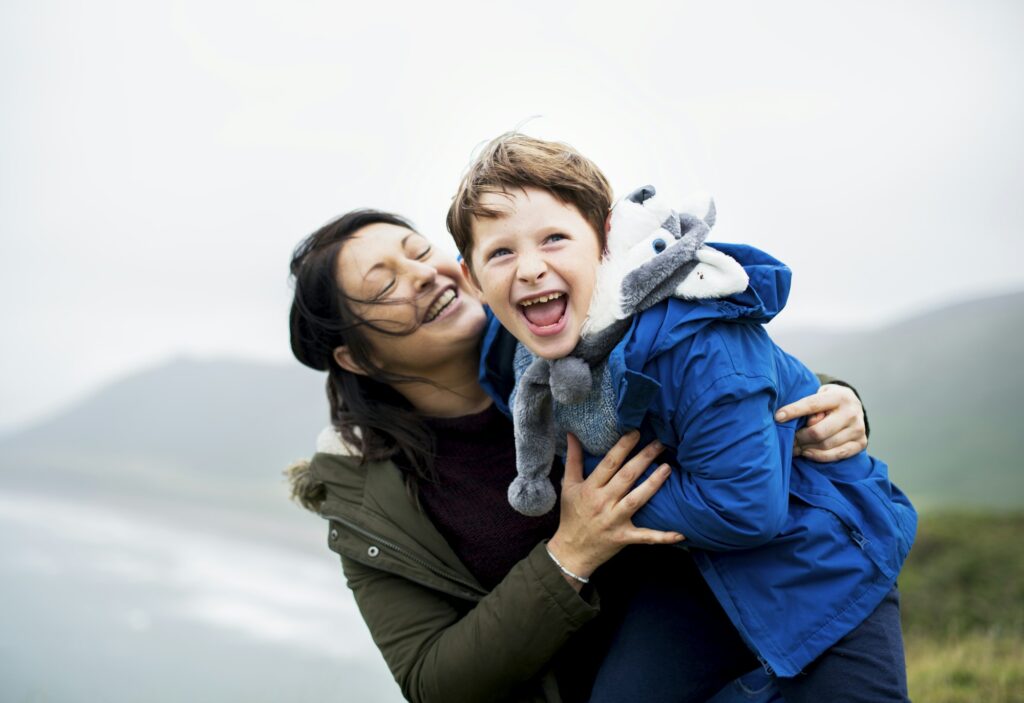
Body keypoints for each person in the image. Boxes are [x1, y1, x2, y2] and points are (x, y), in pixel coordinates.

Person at [287, 208, 871, 703]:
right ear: (355, 359)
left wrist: (835, 402)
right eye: (383, 284)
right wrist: (571, 553)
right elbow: (432, 679)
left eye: (418, 252)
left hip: (751, 614)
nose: (421, 276)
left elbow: (718, 379)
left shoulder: (557, 324)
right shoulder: (367, 491)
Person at [446, 133, 916, 701]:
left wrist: (601, 498)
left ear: (605, 240)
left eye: (554, 240)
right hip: (695, 568)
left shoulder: (697, 342)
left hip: (818, 560)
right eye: (501, 253)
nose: (529, 269)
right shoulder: (513, 351)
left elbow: (746, 511)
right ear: (471, 278)